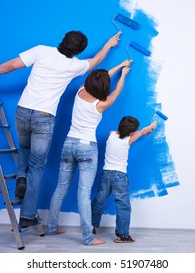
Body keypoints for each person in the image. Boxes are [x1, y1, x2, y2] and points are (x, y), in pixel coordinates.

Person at [0, 30, 121, 228]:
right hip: (44, 117)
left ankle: (21, 177)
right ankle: (28, 215)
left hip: (23, 111)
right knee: (38, 165)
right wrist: (109, 43)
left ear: (63, 40)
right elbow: (97, 60)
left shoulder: (41, 51)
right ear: (78, 51)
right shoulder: (75, 66)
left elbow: (11, 66)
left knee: (24, 147)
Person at [47, 59, 132, 246]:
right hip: (87, 147)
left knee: (60, 188)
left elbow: (100, 77)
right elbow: (116, 89)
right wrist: (123, 73)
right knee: (83, 194)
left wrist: (118, 65)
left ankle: (51, 227)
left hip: (68, 144)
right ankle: (87, 237)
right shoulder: (101, 103)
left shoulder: (80, 91)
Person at [91, 116, 157, 243]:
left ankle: (92, 226)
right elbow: (144, 131)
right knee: (123, 205)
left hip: (106, 174)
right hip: (120, 176)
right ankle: (123, 235)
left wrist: (140, 132)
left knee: (99, 200)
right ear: (131, 133)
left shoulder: (111, 135)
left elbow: (138, 132)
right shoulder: (128, 140)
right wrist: (151, 127)